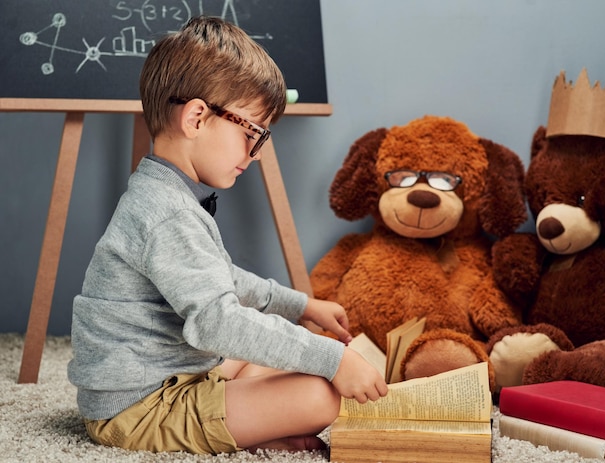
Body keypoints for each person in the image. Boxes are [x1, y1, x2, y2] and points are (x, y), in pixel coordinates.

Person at [67, 16, 387, 455]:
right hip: (139, 406)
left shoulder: (168, 193)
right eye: (252, 134)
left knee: (270, 351)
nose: (256, 155)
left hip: (170, 373)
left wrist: (301, 305)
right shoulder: (167, 212)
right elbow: (218, 320)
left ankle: (256, 426)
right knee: (320, 393)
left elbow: (221, 278)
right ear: (197, 118)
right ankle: (254, 426)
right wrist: (334, 360)